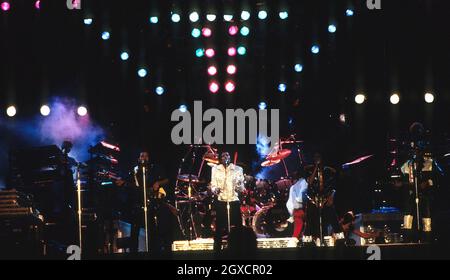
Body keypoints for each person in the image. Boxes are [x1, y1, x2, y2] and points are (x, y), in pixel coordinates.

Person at [398, 123, 442, 242]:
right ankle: (408, 236)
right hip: (411, 193)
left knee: (426, 214)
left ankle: (427, 238)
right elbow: (403, 179)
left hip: (426, 195)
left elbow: (439, 177)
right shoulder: (408, 164)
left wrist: (428, 182)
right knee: (408, 213)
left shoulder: (429, 162)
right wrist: (403, 184)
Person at [128, 151, 171, 253]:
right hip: (138, 203)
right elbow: (129, 183)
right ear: (138, 158)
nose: (144, 158)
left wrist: (158, 183)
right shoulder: (134, 170)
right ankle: (134, 253)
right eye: (142, 156)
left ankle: (153, 252)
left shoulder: (155, 168)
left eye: (146, 156)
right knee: (135, 230)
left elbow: (167, 179)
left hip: (151, 202)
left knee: (152, 229)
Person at [303, 153, 344, 245]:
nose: (317, 159)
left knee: (334, 220)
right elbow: (309, 181)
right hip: (312, 199)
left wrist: (331, 196)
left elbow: (334, 185)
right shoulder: (308, 169)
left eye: (319, 157)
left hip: (326, 198)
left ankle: (340, 241)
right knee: (310, 221)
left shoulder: (329, 170)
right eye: (315, 157)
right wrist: (315, 168)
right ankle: (307, 242)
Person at [210, 152, 246, 252]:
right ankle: (217, 249)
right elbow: (213, 184)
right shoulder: (215, 169)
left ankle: (238, 247)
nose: (226, 157)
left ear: (230, 158)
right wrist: (215, 189)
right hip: (221, 200)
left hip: (233, 200)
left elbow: (241, 188)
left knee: (237, 226)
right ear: (220, 158)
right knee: (220, 226)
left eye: (228, 155)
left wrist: (239, 184)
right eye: (223, 155)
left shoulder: (238, 169)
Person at [286, 170, 308, 239]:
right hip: (300, 210)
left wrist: (291, 213)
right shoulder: (303, 182)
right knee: (300, 230)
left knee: (298, 231)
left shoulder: (294, 186)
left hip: (297, 210)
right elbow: (300, 198)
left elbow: (289, 203)